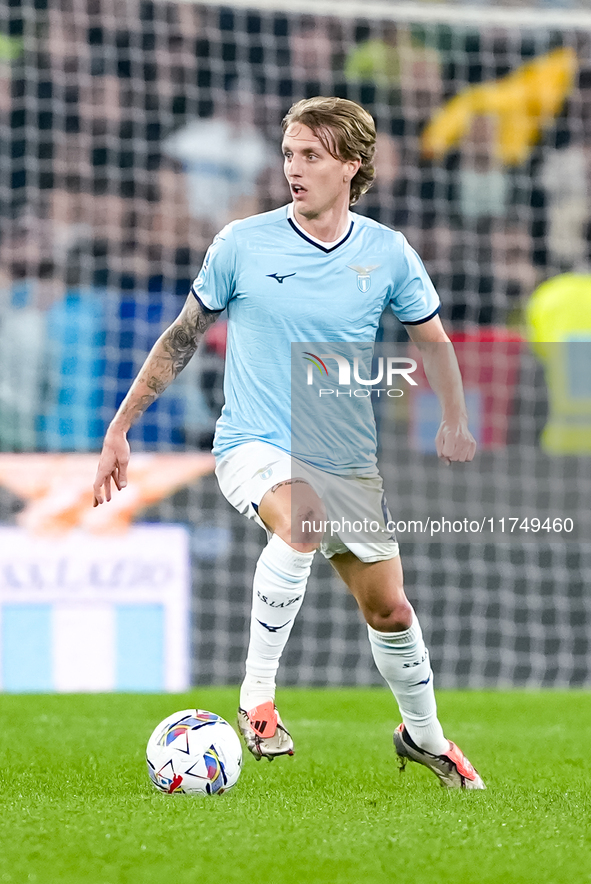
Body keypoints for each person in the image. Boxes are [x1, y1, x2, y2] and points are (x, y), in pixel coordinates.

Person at [93, 96, 485, 790]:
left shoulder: (387, 252)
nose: (293, 169)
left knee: (388, 608)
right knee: (303, 518)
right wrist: (120, 427)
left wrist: (453, 418)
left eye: (310, 155)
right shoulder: (241, 242)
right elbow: (181, 336)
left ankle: (425, 739)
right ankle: (256, 699)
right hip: (254, 442)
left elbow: (434, 340)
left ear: (350, 166)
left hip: (344, 459)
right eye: (288, 154)